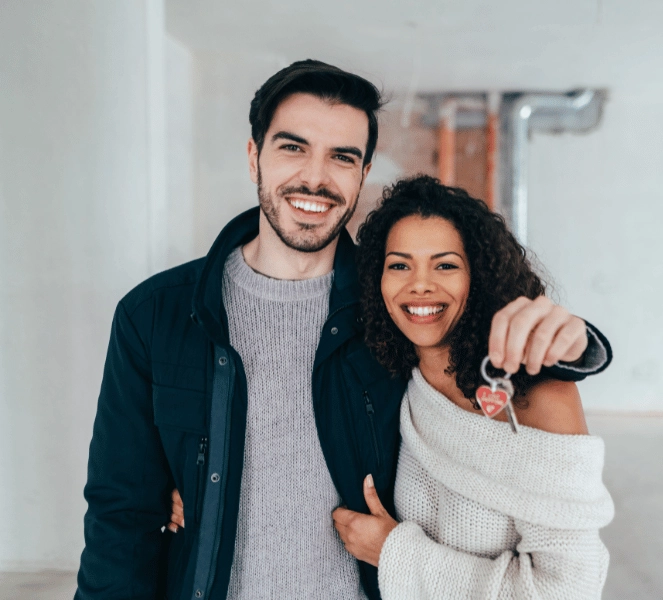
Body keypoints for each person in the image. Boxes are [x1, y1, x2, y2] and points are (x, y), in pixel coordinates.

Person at [75, 60, 612, 600]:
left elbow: (482, 327)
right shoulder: (156, 316)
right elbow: (121, 513)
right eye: (293, 147)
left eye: (342, 157)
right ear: (253, 156)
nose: (315, 177)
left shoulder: (390, 313)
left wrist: (577, 342)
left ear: (362, 172)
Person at [328, 175, 615, 598]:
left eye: (445, 264)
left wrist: (395, 553)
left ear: (478, 277)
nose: (419, 284)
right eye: (399, 265)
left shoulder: (539, 398)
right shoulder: (398, 379)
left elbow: (569, 588)